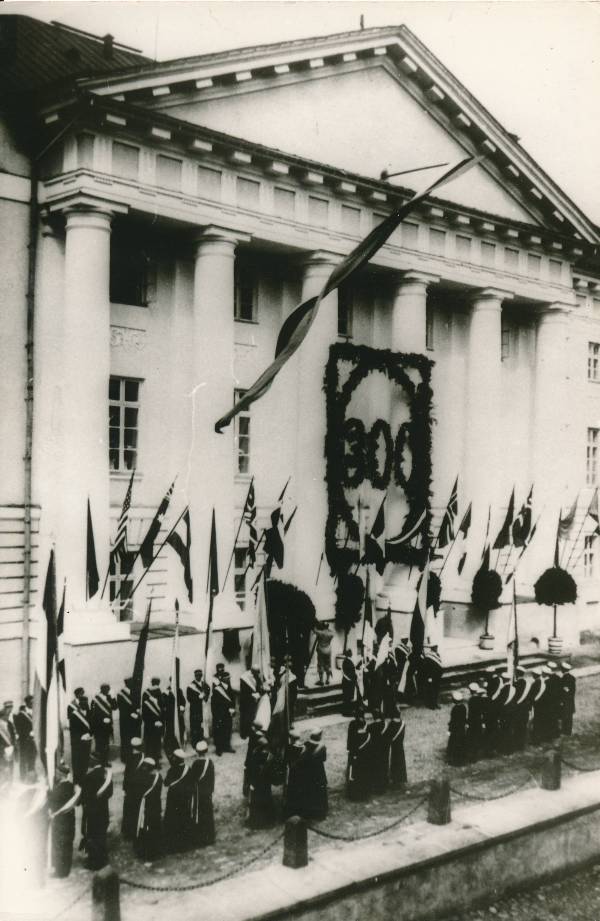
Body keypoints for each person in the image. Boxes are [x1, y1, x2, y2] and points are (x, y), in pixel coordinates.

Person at [80, 754, 113, 871]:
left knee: (93, 836)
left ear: (93, 762)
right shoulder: (106, 775)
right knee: (102, 836)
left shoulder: (89, 777)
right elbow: (110, 793)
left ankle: (94, 863)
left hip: (92, 812)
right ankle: (103, 859)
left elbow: (83, 797)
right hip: (103, 810)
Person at [48, 762, 80, 879]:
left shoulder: (60, 788)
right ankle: (65, 868)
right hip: (69, 820)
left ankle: (60, 871)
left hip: (60, 821)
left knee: (59, 845)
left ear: (61, 774)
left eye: (57, 772)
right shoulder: (70, 786)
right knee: (66, 845)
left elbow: (52, 801)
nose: (55, 774)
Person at [133, 757, 162, 862]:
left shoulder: (144, 779)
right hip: (156, 806)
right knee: (154, 827)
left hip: (147, 807)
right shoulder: (159, 777)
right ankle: (155, 850)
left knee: (145, 828)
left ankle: (147, 853)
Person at [163, 749, 192, 853]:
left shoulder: (172, 770)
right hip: (184, 799)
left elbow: (166, 783)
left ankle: (173, 844)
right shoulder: (188, 769)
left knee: (173, 820)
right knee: (183, 819)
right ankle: (184, 844)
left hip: (173, 799)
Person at [189, 740, 215, 846]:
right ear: (206, 750)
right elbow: (212, 778)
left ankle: (200, 836)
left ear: (197, 751)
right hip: (207, 791)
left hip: (199, 792)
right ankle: (209, 835)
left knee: (199, 812)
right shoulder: (210, 762)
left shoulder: (195, 764)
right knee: (208, 812)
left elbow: (192, 779)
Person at [247, 736, 275, 828]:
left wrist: (251, 783)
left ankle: (257, 822)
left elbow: (252, 770)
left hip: (258, 783)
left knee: (257, 802)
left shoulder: (255, 754)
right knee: (265, 800)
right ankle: (267, 821)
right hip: (265, 783)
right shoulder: (269, 756)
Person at [68, 688, 93, 785]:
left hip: (87, 741)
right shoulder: (74, 715)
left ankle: (84, 778)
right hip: (78, 742)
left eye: (86, 702)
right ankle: (77, 780)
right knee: (77, 761)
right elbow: (73, 730)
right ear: (80, 704)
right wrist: (81, 736)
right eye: (83, 702)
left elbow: (93, 725)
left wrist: (90, 734)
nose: (85, 704)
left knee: (85, 760)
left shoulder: (90, 713)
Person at [122, 737, 145, 840]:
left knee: (129, 810)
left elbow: (127, 776)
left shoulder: (130, 759)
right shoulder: (144, 758)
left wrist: (125, 789)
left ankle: (128, 832)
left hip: (131, 789)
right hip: (140, 788)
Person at [302, 730, 328, 820]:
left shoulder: (305, 744)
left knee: (309, 790)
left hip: (308, 772)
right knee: (319, 792)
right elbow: (324, 759)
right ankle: (319, 813)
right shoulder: (322, 747)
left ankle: (309, 812)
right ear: (319, 736)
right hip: (318, 771)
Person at [90, 684, 117, 764]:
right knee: (100, 743)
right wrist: (102, 719)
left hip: (107, 725)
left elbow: (115, 707)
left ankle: (104, 761)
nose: (107, 691)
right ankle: (100, 762)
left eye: (108, 689)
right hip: (99, 725)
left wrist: (112, 698)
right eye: (106, 689)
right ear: (101, 689)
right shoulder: (95, 699)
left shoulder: (109, 697)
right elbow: (93, 713)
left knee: (106, 744)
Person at [346, 717, 370, 801]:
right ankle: (364, 794)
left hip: (355, 757)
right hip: (364, 759)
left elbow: (351, 748)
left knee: (353, 775)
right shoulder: (367, 735)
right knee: (363, 775)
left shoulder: (354, 735)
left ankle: (354, 795)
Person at [211, 671, 235, 755]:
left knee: (228, 730)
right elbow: (214, 704)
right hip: (220, 715)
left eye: (229, 678)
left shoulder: (229, 688)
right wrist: (216, 716)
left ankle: (227, 746)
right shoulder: (217, 689)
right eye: (227, 678)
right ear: (223, 679)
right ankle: (219, 749)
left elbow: (233, 700)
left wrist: (233, 708)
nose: (229, 679)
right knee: (219, 731)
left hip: (228, 714)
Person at [117, 678, 141, 763]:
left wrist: (137, 711)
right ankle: (125, 757)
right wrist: (132, 714)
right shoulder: (121, 694)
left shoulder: (133, 692)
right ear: (127, 683)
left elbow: (136, 704)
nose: (132, 684)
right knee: (126, 739)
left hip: (133, 720)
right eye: (131, 682)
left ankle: (132, 756)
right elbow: (122, 707)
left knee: (132, 738)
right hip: (125, 720)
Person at [186, 669, 210, 748]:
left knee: (202, 725)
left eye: (200, 675)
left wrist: (205, 695)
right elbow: (189, 698)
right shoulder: (191, 686)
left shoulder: (204, 685)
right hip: (195, 709)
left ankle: (201, 741)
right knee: (195, 726)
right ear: (195, 676)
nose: (199, 677)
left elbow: (208, 691)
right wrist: (198, 697)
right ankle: (195, 742)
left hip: (203, 708)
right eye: (197, 675)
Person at [142, 681, 164, 765]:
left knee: (157, 745)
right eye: (157, 692)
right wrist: (154, 722)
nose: (159, 693)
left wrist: (160, 721)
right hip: (150, 727)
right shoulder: (147, 703)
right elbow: (144, 716)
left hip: (157, 727)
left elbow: (162, 712)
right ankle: (150, 763)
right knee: (149, 745)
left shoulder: (159, 701)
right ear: (153, 692)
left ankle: (157, 762)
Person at [14, 696, 36, 780]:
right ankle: (22, 777)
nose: (33, 704)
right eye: (31, 702)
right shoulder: (21, 715)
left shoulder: (34, 713)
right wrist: (29, 733)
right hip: (25, 741)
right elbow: (19, 729)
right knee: (24, 759)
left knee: (32, 758)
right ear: (27, 703)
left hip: (33, 741)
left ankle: (31, 777)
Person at [162, 682, 186, 757]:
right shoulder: (165, 693)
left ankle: (180, 744)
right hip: (170, 716)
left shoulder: (178, 691)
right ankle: (171, 746)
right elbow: (163, 704)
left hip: (178, 715)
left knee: (181, 728)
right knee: (170, 730)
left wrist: (182, 707)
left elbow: (183, 700)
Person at [239, 666, 262, 740]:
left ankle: (249, 732)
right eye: (256, 672)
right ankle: (243, 734)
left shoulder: (256, 676)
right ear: (252, 671)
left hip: (253, 700)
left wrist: (258, 693)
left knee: (251, 717)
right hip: (245, 700)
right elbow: (243, 691)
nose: (257, 674)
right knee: (244, 717)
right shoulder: (244, 677)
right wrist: (252, 695)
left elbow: (258, 685)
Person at [447, 691, 468, 767]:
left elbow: (453, 721)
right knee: (461, 744)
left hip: (455, 730)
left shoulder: (455, 709)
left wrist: (449, 729)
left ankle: (455, 761)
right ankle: (462, 759)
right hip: (461, 729)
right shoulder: (463, 707)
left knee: (454, 744)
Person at [389, 709, 407, 787]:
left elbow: (389, 735)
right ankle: (401, 778)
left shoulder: (391, 724)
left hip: (394, 746)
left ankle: (394, 779)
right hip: (400, 746)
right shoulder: (403, 723)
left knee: (394, 762)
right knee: (401, 761)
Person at [314, 622, 334, 686]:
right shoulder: (331, 633)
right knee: (328, 665)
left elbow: (314, 630)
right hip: (328, 650)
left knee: (321, 665)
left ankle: (321, 681)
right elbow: (332, 634)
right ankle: (328, 680)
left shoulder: (321, 633)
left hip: (321, 650)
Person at [559, 662, 576, 735]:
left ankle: (565, 730)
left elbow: (564, 691)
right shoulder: (572, 678)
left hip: (565, 700)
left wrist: (561, 700)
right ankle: (568, 730)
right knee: (569, 716)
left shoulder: (564, 678)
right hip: (570, 700)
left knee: (565, 715)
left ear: (563, 669)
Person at [341, 650, 356, 716]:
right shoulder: (346, 661)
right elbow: (345, 672)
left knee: (349, 697)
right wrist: (349, 679)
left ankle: (349, 710)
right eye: (350, 653)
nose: (351, 654)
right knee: (347, 697)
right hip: (347, 682)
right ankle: (346, 712)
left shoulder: (349, 660)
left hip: (350, 681)